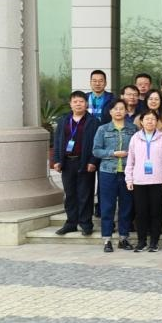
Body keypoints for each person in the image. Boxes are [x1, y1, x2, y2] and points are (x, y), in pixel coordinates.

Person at [91, 99, 138, 251]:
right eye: (115, 109)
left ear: (126, 111)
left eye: (121, 108)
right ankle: (107, 239)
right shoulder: (103, 129)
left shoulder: (133, 129)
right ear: (110, 112)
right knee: (107, 206)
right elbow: (96, 150)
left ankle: (124, 238)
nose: (118, 111)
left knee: (126, 206)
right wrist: (113, 153)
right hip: (107, 172)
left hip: (127, 172)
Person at [125, 109, 162, 252]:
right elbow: (130, 160)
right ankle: (141, 241)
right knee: (141, 213)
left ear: (157, 122)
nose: (150, 121)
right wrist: (129, 179)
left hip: (158, 181)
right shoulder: (135, 138)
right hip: (139, 181)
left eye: (153, 119)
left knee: (156, 212)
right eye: (147, 119)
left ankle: (154, 241)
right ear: (141, 121)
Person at [52, 91, 99, 236]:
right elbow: (57, 141)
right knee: (70, 194)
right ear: (70, 104)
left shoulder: (93, 121)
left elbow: (97, 143)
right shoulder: (63, 120)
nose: (78, 104)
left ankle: (86, 224)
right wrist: (57, 160)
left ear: (86, 104)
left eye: (81, 101)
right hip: (67, 162)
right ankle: (71, 223)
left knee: (85, 194)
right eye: (75, 101)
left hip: (84, 162)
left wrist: (93, 161)